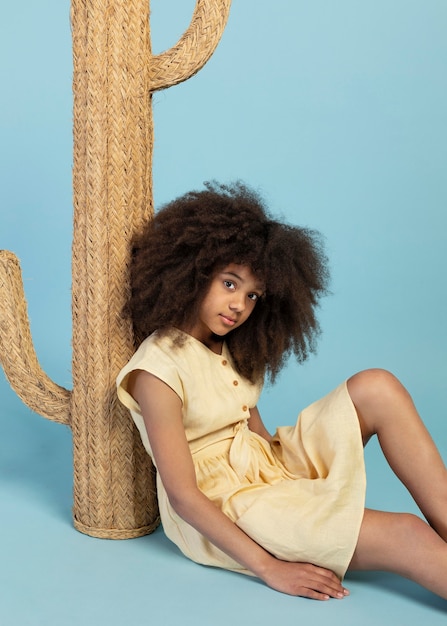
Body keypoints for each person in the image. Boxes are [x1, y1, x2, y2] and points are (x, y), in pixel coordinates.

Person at [117, 181, 447, 601]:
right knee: (407, 533)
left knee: (376, 386)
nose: (239, 305)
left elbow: (252, 430)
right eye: (230, 283)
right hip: (225, 504)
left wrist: (298, 482)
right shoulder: (158, 368)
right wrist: (270, 568)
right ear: (192, 272)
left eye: (253, 294)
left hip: (264, 467)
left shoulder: (228, 346)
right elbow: (183, 497)